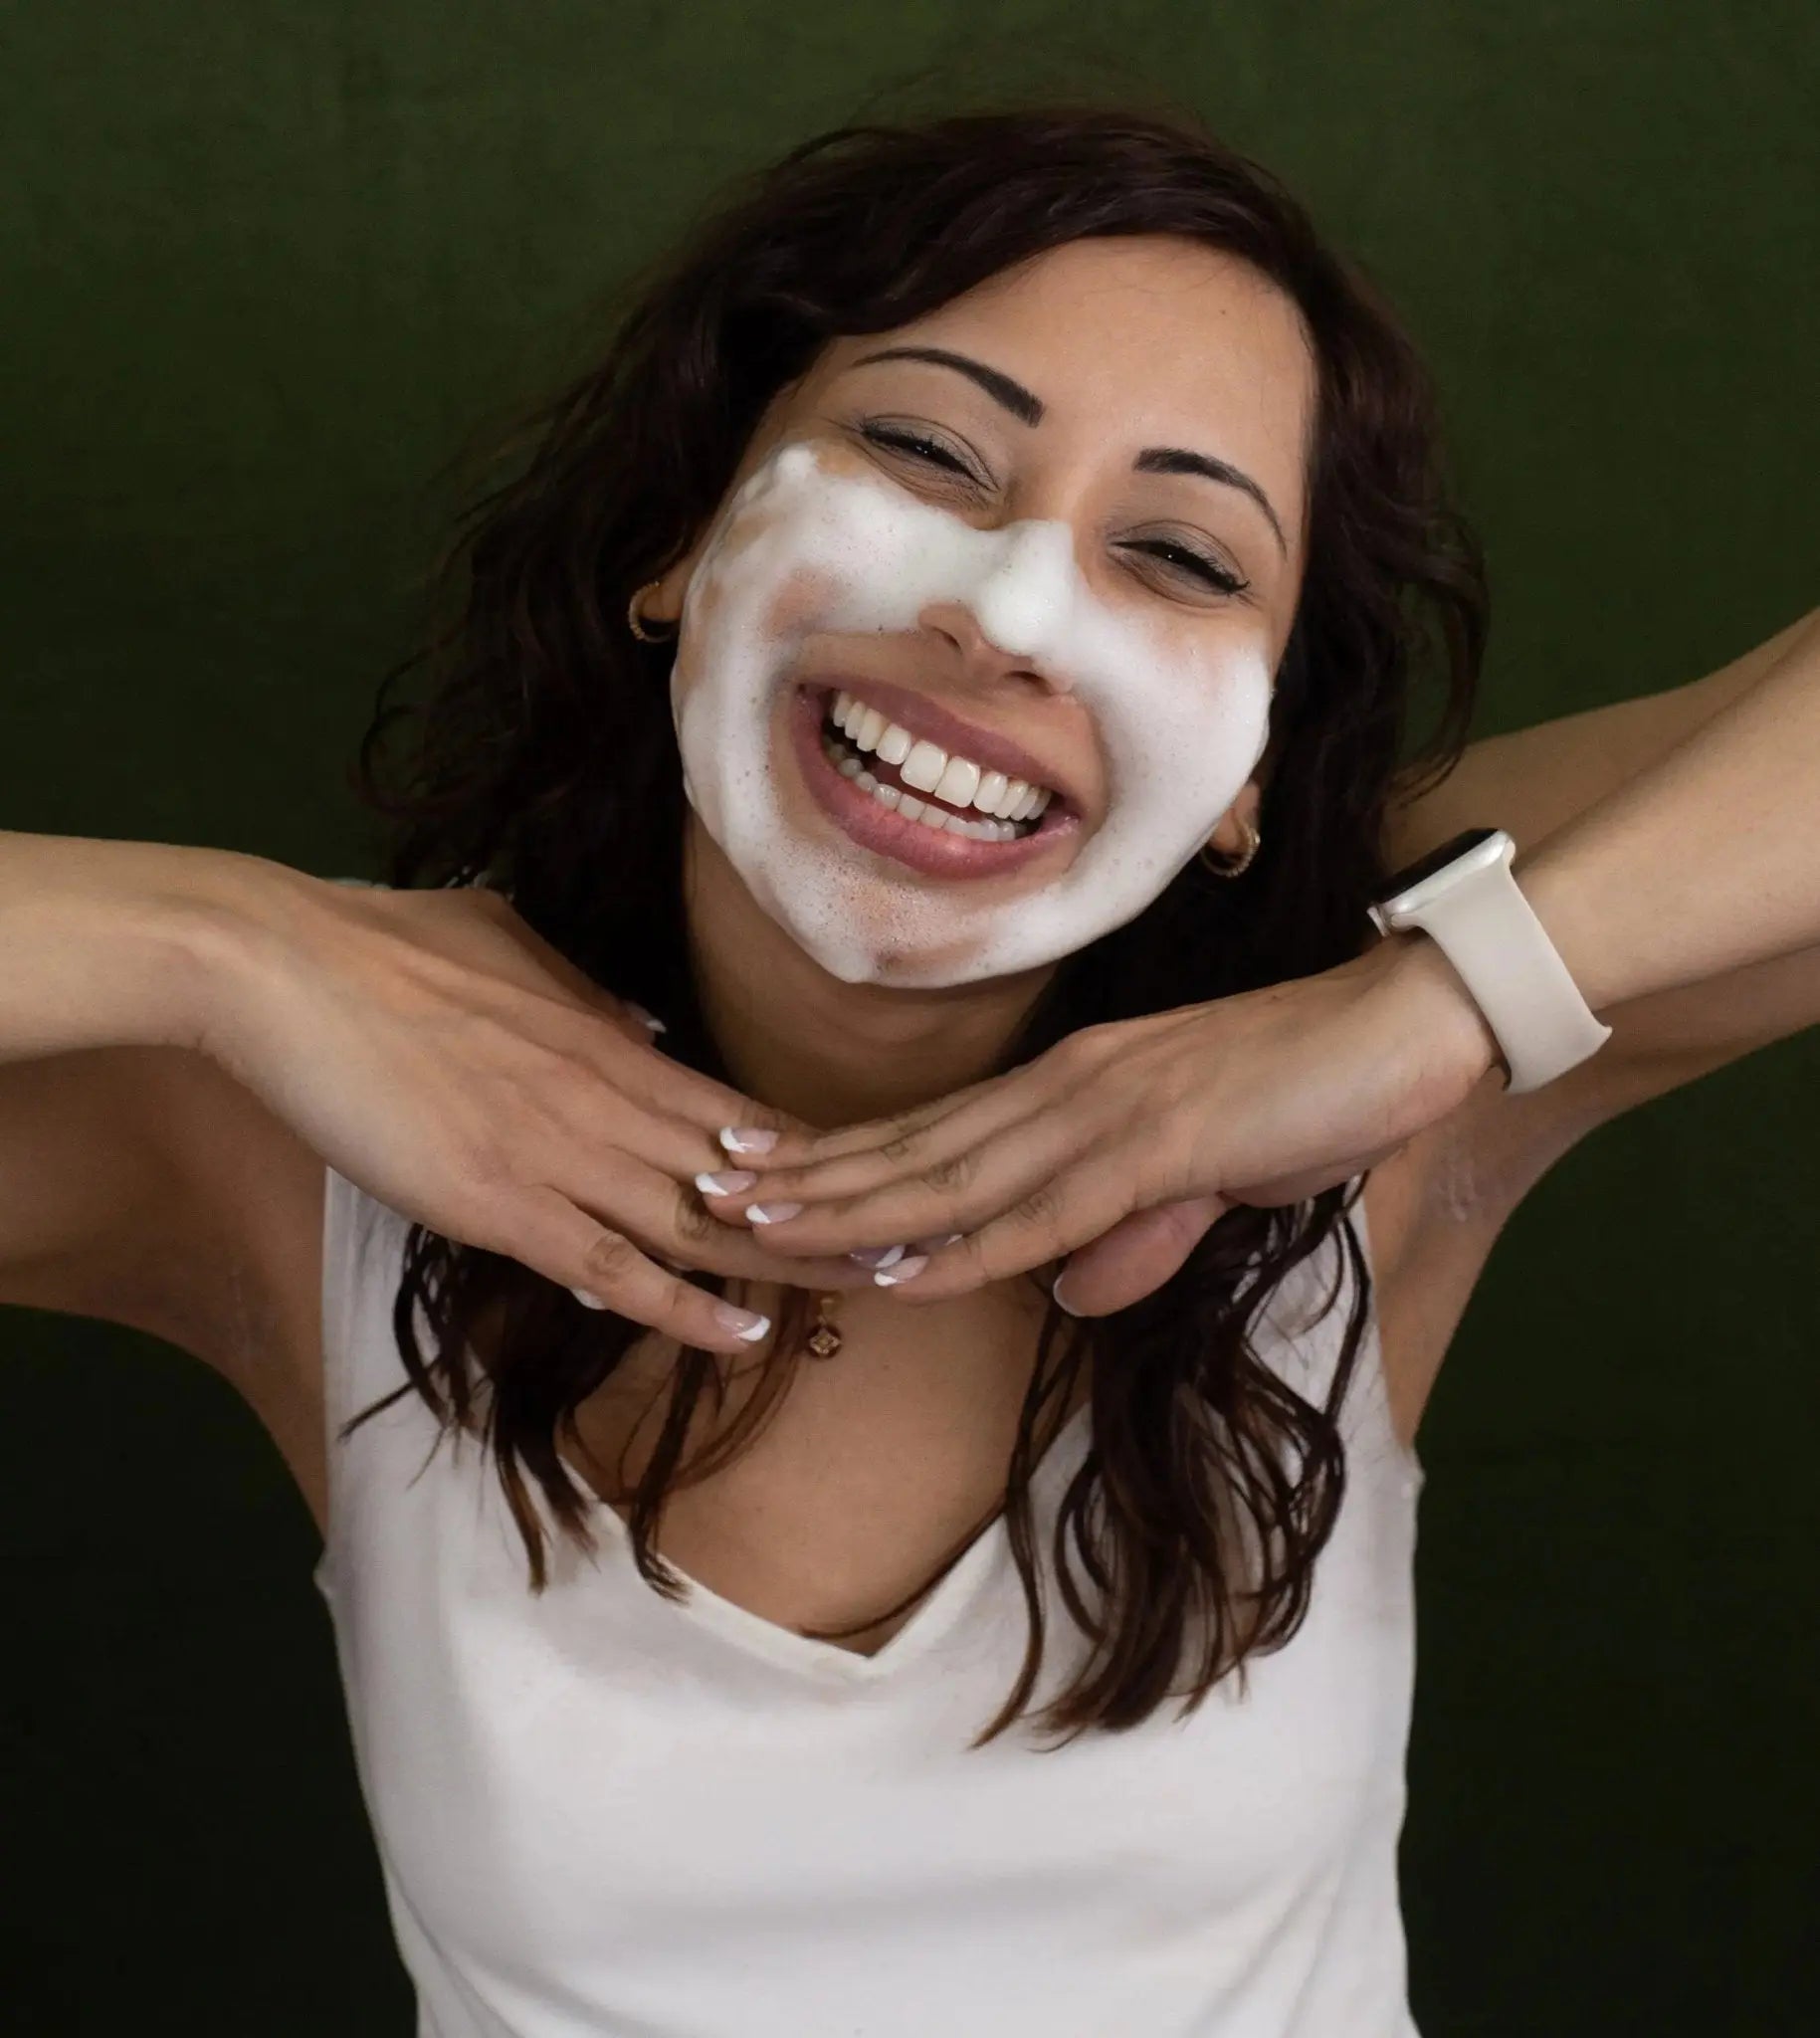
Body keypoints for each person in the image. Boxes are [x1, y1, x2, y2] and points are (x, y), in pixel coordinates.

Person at [2, 100, 1814, 2037]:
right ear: (687, 542)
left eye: (1182, 555)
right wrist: (227, 944)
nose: (1009, 611)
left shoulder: (1395, 1067)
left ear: (1257, 778)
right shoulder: (313, 1148)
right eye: (928, 447)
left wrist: (1429, 1008)